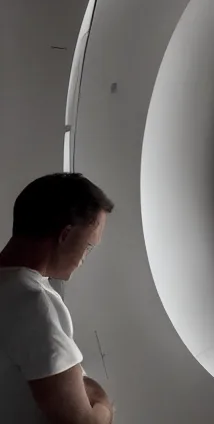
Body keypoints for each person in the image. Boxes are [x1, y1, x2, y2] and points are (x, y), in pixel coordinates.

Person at [0, 173, 115, 423]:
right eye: (88, 246)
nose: (85, 259)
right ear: (65, 235)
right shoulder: (32, 303)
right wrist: (105, 404)